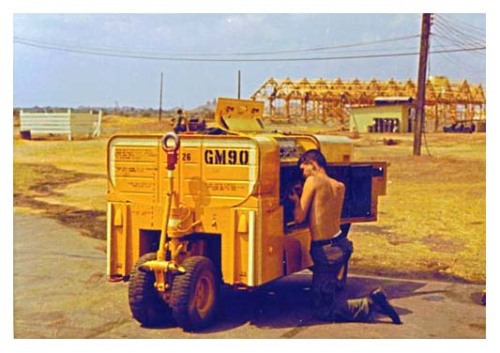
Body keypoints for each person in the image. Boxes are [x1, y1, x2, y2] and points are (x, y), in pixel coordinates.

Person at [289, 149, 401, 324]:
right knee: (325, 290)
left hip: (326, 250)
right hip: (341, 243)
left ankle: (371, 304)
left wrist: (296, 200)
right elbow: (322, 208)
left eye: (304, 169)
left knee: (324, 311)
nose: (303, 175)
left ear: (313, 164)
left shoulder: (312, 181)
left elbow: (299, 217)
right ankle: (342, 298)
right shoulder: (339, 186)